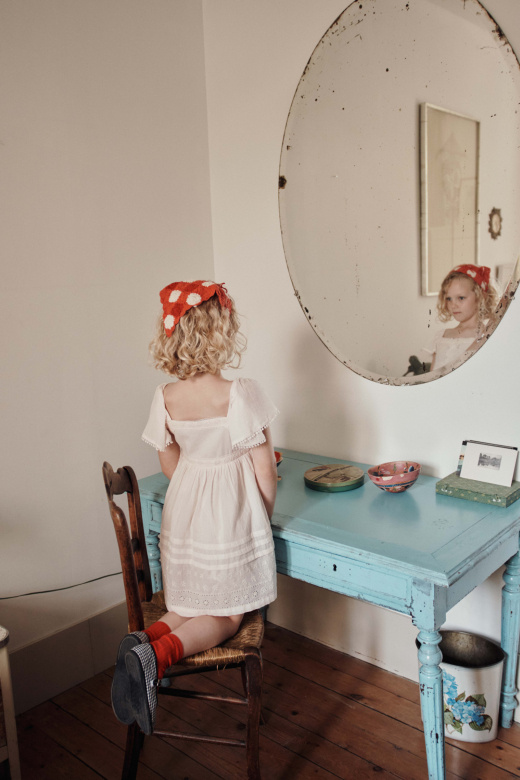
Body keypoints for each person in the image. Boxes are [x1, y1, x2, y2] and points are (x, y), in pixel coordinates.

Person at [111, 280, 279, 734]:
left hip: (184, 510)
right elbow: (265, 471)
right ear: (221, 331)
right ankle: (158, 656)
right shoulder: (240, 391)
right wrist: (258, 517)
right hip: (229, 516)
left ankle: (142, 640)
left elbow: (170, 464)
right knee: (228, 614)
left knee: (189, 602)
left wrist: (198, 479)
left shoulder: (165, 395)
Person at [430, 264, 498, 372]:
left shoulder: (487, 335)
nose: (453, 305)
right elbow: (432, 375)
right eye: (449, 299)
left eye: (461, 298)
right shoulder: (441, 336)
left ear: (481, 297)